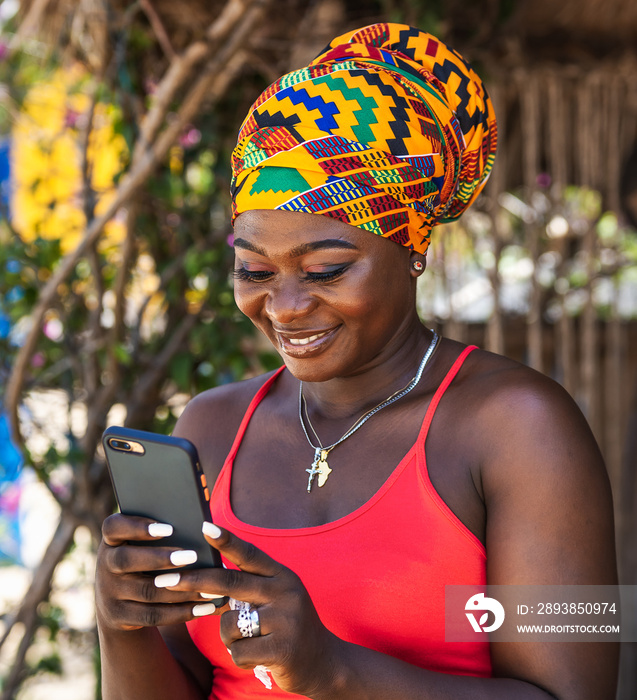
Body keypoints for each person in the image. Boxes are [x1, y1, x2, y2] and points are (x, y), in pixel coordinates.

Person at [95, 23, 618, 700]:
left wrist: (334, 671)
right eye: (254, 270)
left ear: (411, 249)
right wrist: (120, 624)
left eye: (325, 270)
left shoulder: (521, 428)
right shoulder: (214, 427)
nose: (283, 306)